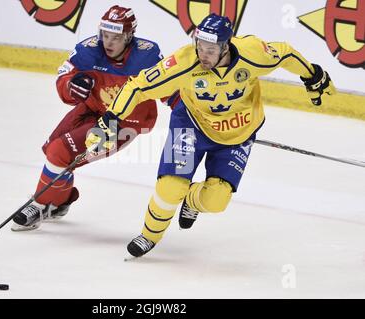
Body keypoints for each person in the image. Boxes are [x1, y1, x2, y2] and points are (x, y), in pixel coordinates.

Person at [85, 13, 336, 256]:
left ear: (226, 47)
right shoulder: (184, 62)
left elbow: (285, 52)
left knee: (217, 201)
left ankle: (192, 201)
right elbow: (138, 86)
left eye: (210, 50)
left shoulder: (253, 53)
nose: (203, 55)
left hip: (239, 134)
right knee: (171, 188)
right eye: (199, 46)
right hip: (190, 125)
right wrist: (110, 119)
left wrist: (312, 74)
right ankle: (149, 235)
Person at [11, 5, 165, 231]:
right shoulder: (89, 50)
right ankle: (60, 202)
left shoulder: (147, 56)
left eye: (115, 37)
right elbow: (64, 75)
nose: (108, 42)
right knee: (53, 152)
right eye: (105, 34)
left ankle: (41, 204)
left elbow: (170, 87)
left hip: (120, 124)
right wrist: (71, 86)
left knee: (59, 153)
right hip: (91, 109)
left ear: (129, 36)